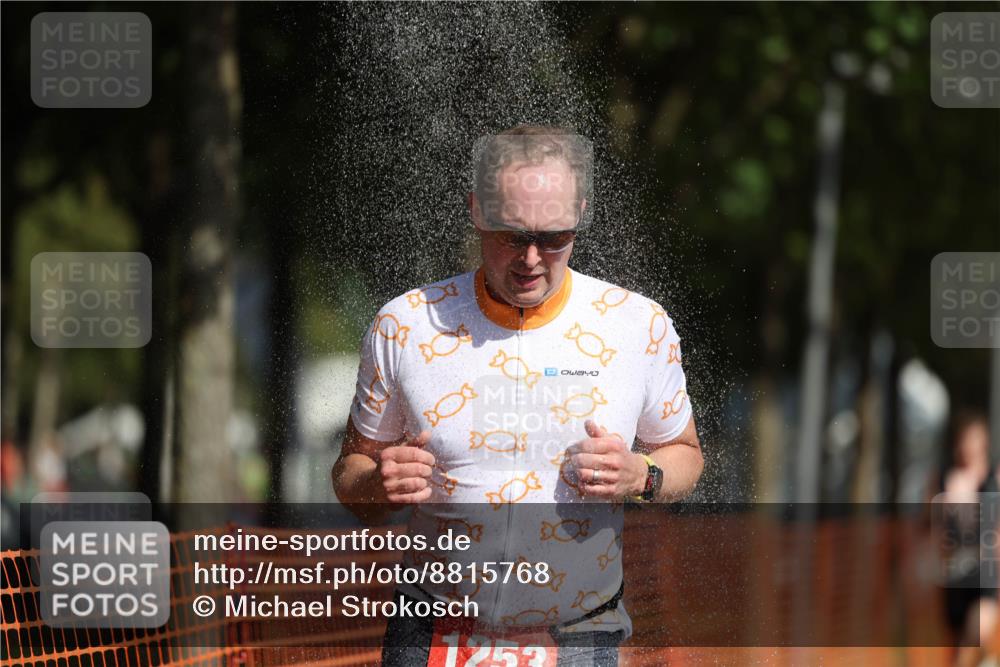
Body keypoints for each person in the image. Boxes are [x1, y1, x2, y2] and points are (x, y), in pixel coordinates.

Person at [332, 125, 704, 666]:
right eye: (511, 235)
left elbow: (686, 454)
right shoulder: (405, 324)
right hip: (435, 633)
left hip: (580, 636)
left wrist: (641, 475)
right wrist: (377, 484)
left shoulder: (638, 325)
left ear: (580, 213)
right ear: (476, 211)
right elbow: (349, 475)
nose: (532, 257)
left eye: (554, 237)